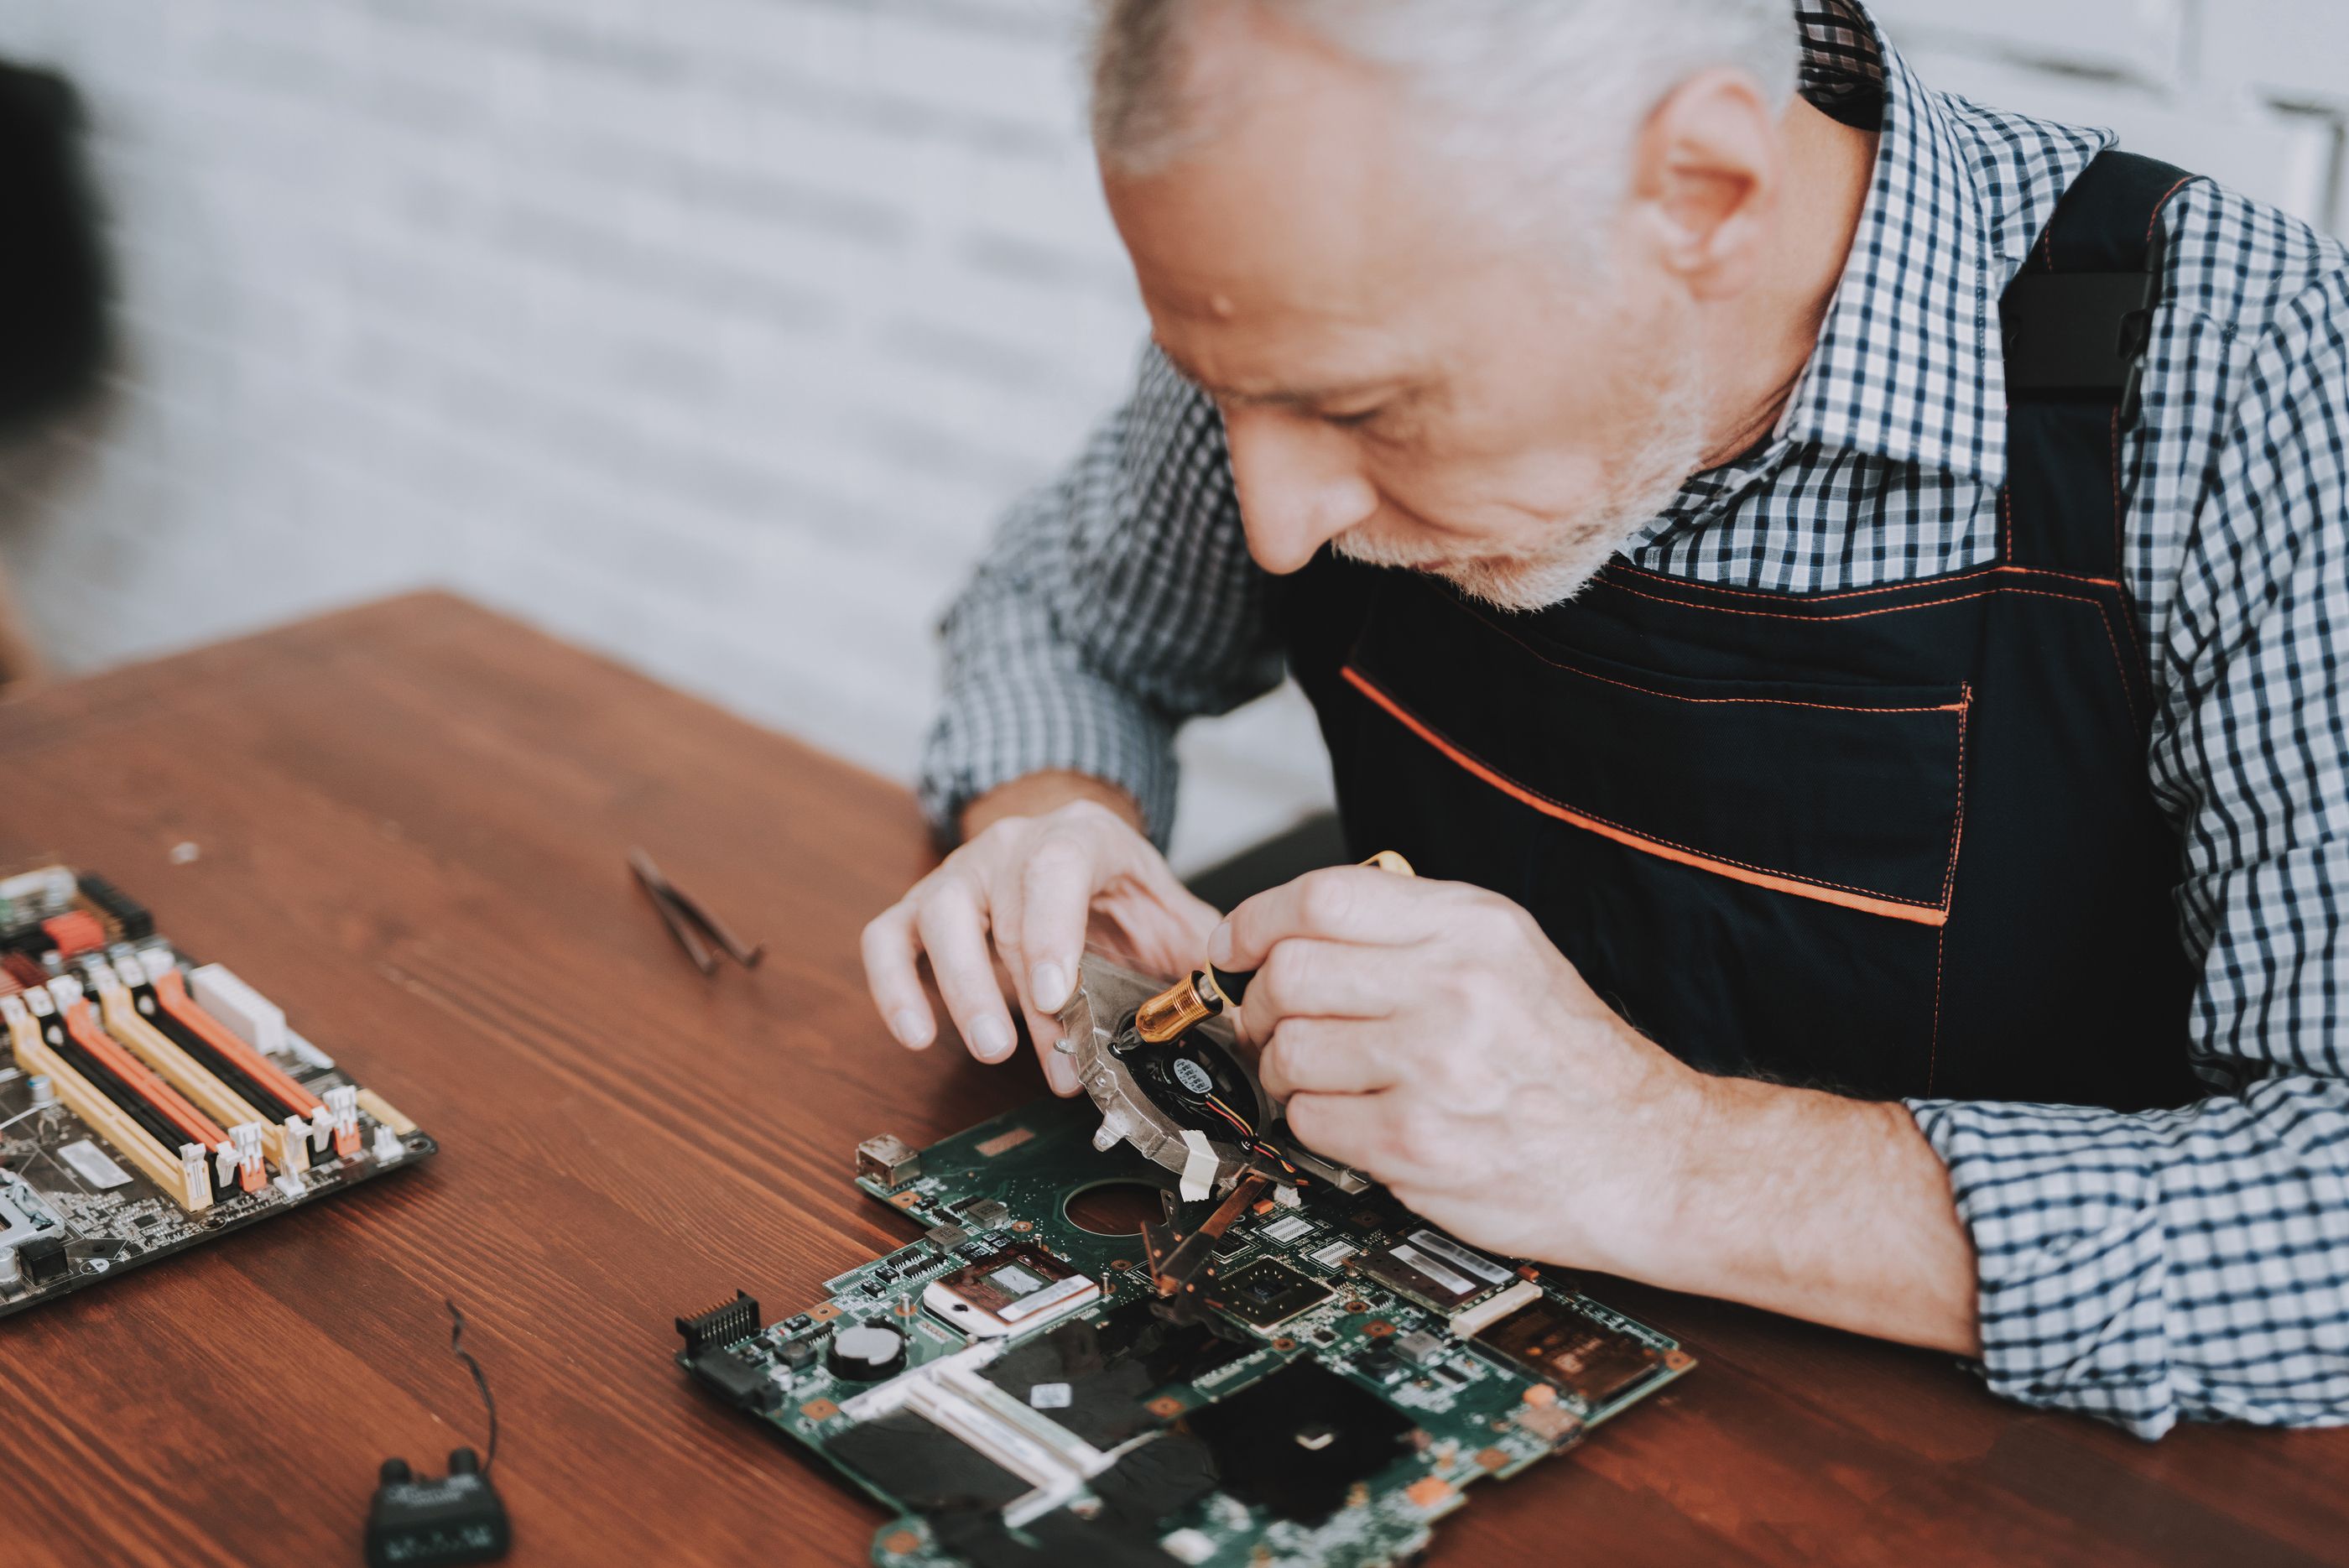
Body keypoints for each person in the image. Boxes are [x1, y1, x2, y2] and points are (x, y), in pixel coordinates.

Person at [861, 0, 2349, 1439]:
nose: (1276, 525)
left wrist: (1669, 1156)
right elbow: (1063, 616)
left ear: (1704, 195)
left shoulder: (2247, 378)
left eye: (1368, 410)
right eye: (1222, 392)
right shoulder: (1308, 290)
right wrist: (1055, 823)